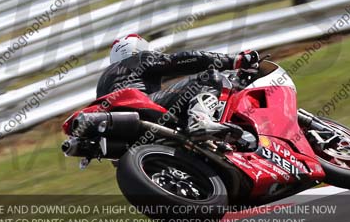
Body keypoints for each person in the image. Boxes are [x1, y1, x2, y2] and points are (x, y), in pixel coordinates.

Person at [96, 33, 259, 141]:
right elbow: (183, 60)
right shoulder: (138, 59)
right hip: (143, 109)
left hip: (122, 133)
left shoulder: (103, 81)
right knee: (208, 78)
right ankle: (199, 120)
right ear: (136, 48)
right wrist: (233, 61)